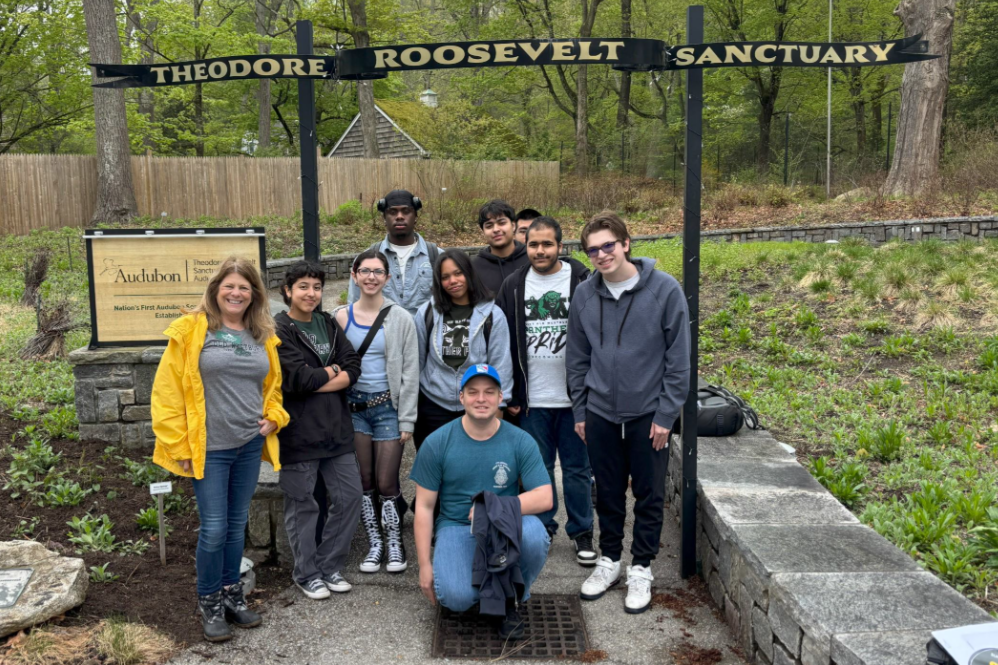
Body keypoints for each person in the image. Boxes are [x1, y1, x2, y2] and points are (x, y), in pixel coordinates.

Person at [151, 256, 289, 642]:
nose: (236, 292)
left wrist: (274, 418)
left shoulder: (262, 333)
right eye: (229, 285)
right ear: (215, 290)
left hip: (248, 444)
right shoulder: (193, 331)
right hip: (208, 449)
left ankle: (232, 595)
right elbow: (167, 392)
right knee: (213, 529)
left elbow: (272, 389)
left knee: (234, 527)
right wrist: (178, 443)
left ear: (254, 295)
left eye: (244, 287)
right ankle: (209, 602)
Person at [566, 212, 691, 615]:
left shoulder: (664, 290)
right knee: (607, 490)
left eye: (608, 245)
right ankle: (609, 560)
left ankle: (641, 566)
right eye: (592, 249)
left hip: (647, 414)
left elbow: (679, 360)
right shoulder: (585, 295)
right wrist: (581, 409)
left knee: (650, 493)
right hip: (600, 411)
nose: (601, 255)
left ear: (625, 244)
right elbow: (577, 357)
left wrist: (666, 414)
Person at [410, 364, 553, 639]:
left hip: (503, 528)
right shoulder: (437, 442)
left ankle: (508, 596)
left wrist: (491, 510)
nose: (481, 399)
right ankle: (478, 588)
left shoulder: (520, 440)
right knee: (456, 598)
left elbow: (545, 497)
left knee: (535, 533)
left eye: (490, 392)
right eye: (473, 392)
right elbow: (425, 508)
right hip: (456, 525)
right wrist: (424, 566)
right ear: (461, 397)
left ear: (501, 398)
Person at [495, 216, 596, 567]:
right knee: (537, 470)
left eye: (547, 244)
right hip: (531, 401)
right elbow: (503, 341)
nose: (540, 250)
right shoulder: (513, 285)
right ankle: (544, 525)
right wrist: (510, 396)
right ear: (526, 245)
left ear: (560, 246)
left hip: (575, 400)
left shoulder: (582, 279)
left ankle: (583, 531)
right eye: (533, 244)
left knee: (577, 469)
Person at [274, 260, 363, 601]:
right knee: (303, 505)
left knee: (349, 497)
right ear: (288, 291)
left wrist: (325, 375)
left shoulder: (327, 323)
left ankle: (329, 566)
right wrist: (332, 374)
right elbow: (297, 379)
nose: (310, 293)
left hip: (337, 432)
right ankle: (306, 573)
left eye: (316, 287)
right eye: (303, 287)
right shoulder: (281, 330)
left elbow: (352, 366)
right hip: (300, 434)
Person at [333, 249, 419, 575]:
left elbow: (411, 372)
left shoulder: (401, 318)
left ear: (387, 277)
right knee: (363, 480)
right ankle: (375, 542)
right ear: (354, 275)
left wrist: (407, 418)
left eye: (378, 271)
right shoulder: (339, 317)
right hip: (353, 408)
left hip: (388, 408)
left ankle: (395, 540)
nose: (371, 277)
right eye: (364, 270)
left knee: (386, 481)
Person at [414, 249, 513, 448]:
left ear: (469, 274)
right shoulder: (427, 312)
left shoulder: (493, 315)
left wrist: (499, 407)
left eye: (458, 273)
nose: (453, 281)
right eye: (445, 277)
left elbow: (501, 364)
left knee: (474, 467)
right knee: (436, 469)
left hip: (478, 403)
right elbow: (416, 361)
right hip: (434, 404)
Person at [348, 189, 441, 318]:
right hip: (382, 335)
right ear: (384, 218)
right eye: (392, 212)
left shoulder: (438, 257)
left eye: (406, 211)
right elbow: (355, 306)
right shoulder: (366, 261)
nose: (399, 216)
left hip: (425, 336)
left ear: (415, 217)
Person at [471, 199, 530, 295]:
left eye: (501, 223)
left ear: (513, 226)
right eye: (489, 226)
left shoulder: (531, 258)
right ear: (483, 232)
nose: (496, 229)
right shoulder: (474, 268)